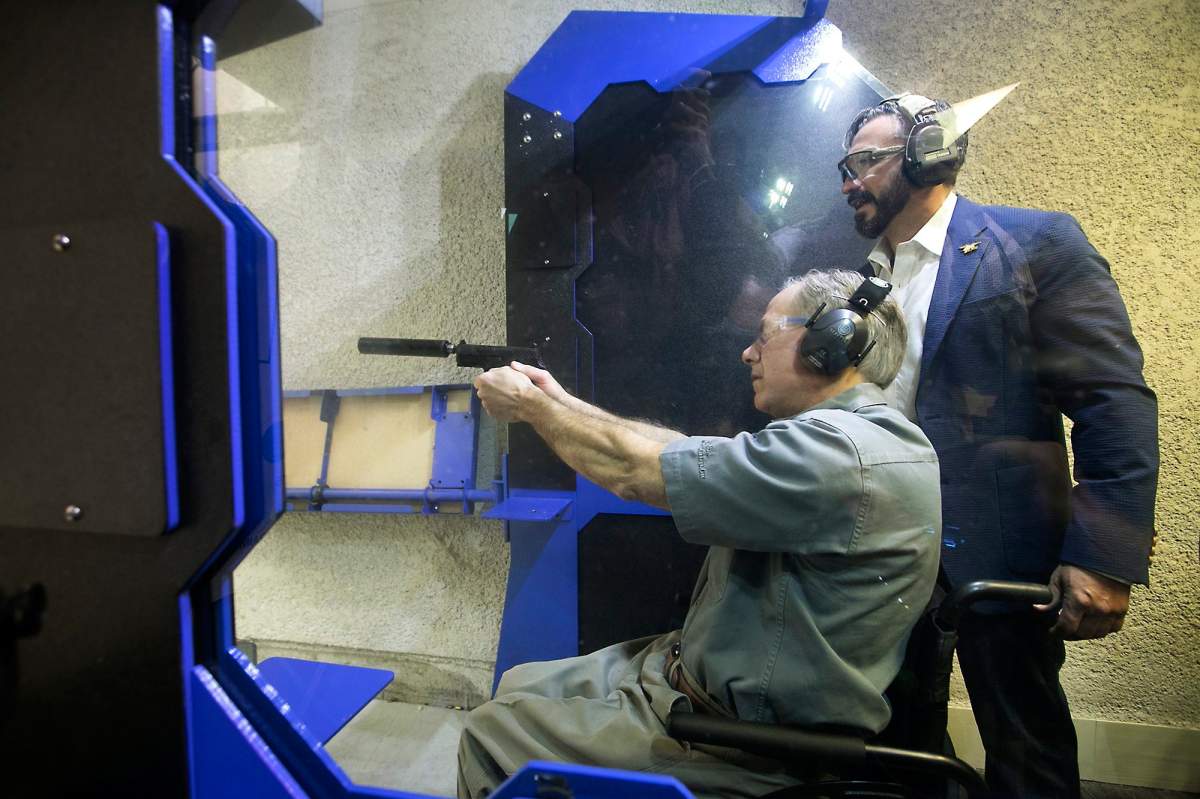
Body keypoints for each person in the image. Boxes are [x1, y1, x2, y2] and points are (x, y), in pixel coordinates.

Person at [458, 270, 942, 799]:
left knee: (489, 733)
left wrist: (531, 409)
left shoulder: (835, 455)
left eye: (765, 334)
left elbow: (634, 470)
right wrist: (560, 400)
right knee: (518, 684)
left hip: (736, 739)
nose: (748, 353)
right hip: (693, 677)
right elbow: (674, 450)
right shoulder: (858, 438)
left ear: (830, 342)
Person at [838, 94, 1159, 798]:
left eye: (865, 161)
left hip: (1000, 548)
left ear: (926, 155)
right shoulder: (860, 279)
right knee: (894, 745)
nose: (849, 182)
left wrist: (1103, 557)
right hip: (884, 549)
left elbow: (1112, 400)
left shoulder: (1035, 242)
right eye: (845, 167)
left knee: (1026, 746)